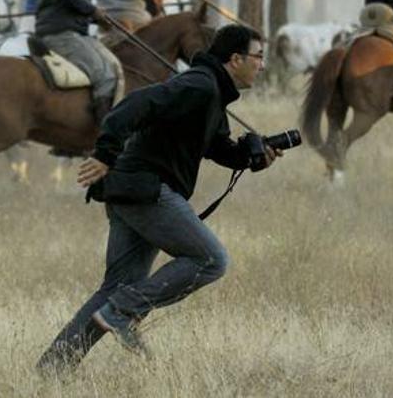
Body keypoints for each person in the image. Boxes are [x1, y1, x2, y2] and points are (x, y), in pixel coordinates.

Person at [36, 24, 281, 374]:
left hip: (130, 189)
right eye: (258, 57)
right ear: (236, 58)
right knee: (211, 260)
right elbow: (136, 103)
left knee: (117, 287)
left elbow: (218, 148)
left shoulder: (211, 92)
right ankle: (124, 310)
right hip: (145, 188)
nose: (262, 65)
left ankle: (53, 368)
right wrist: (105, 153)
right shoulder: (198, 85)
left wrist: (253, 156)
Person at [34, 0, 119, 125]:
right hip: (62, 32)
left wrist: (94, 17)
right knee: (106, 75)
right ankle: (103, 134)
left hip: (57, 26)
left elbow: (64, 1)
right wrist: (94, 11)